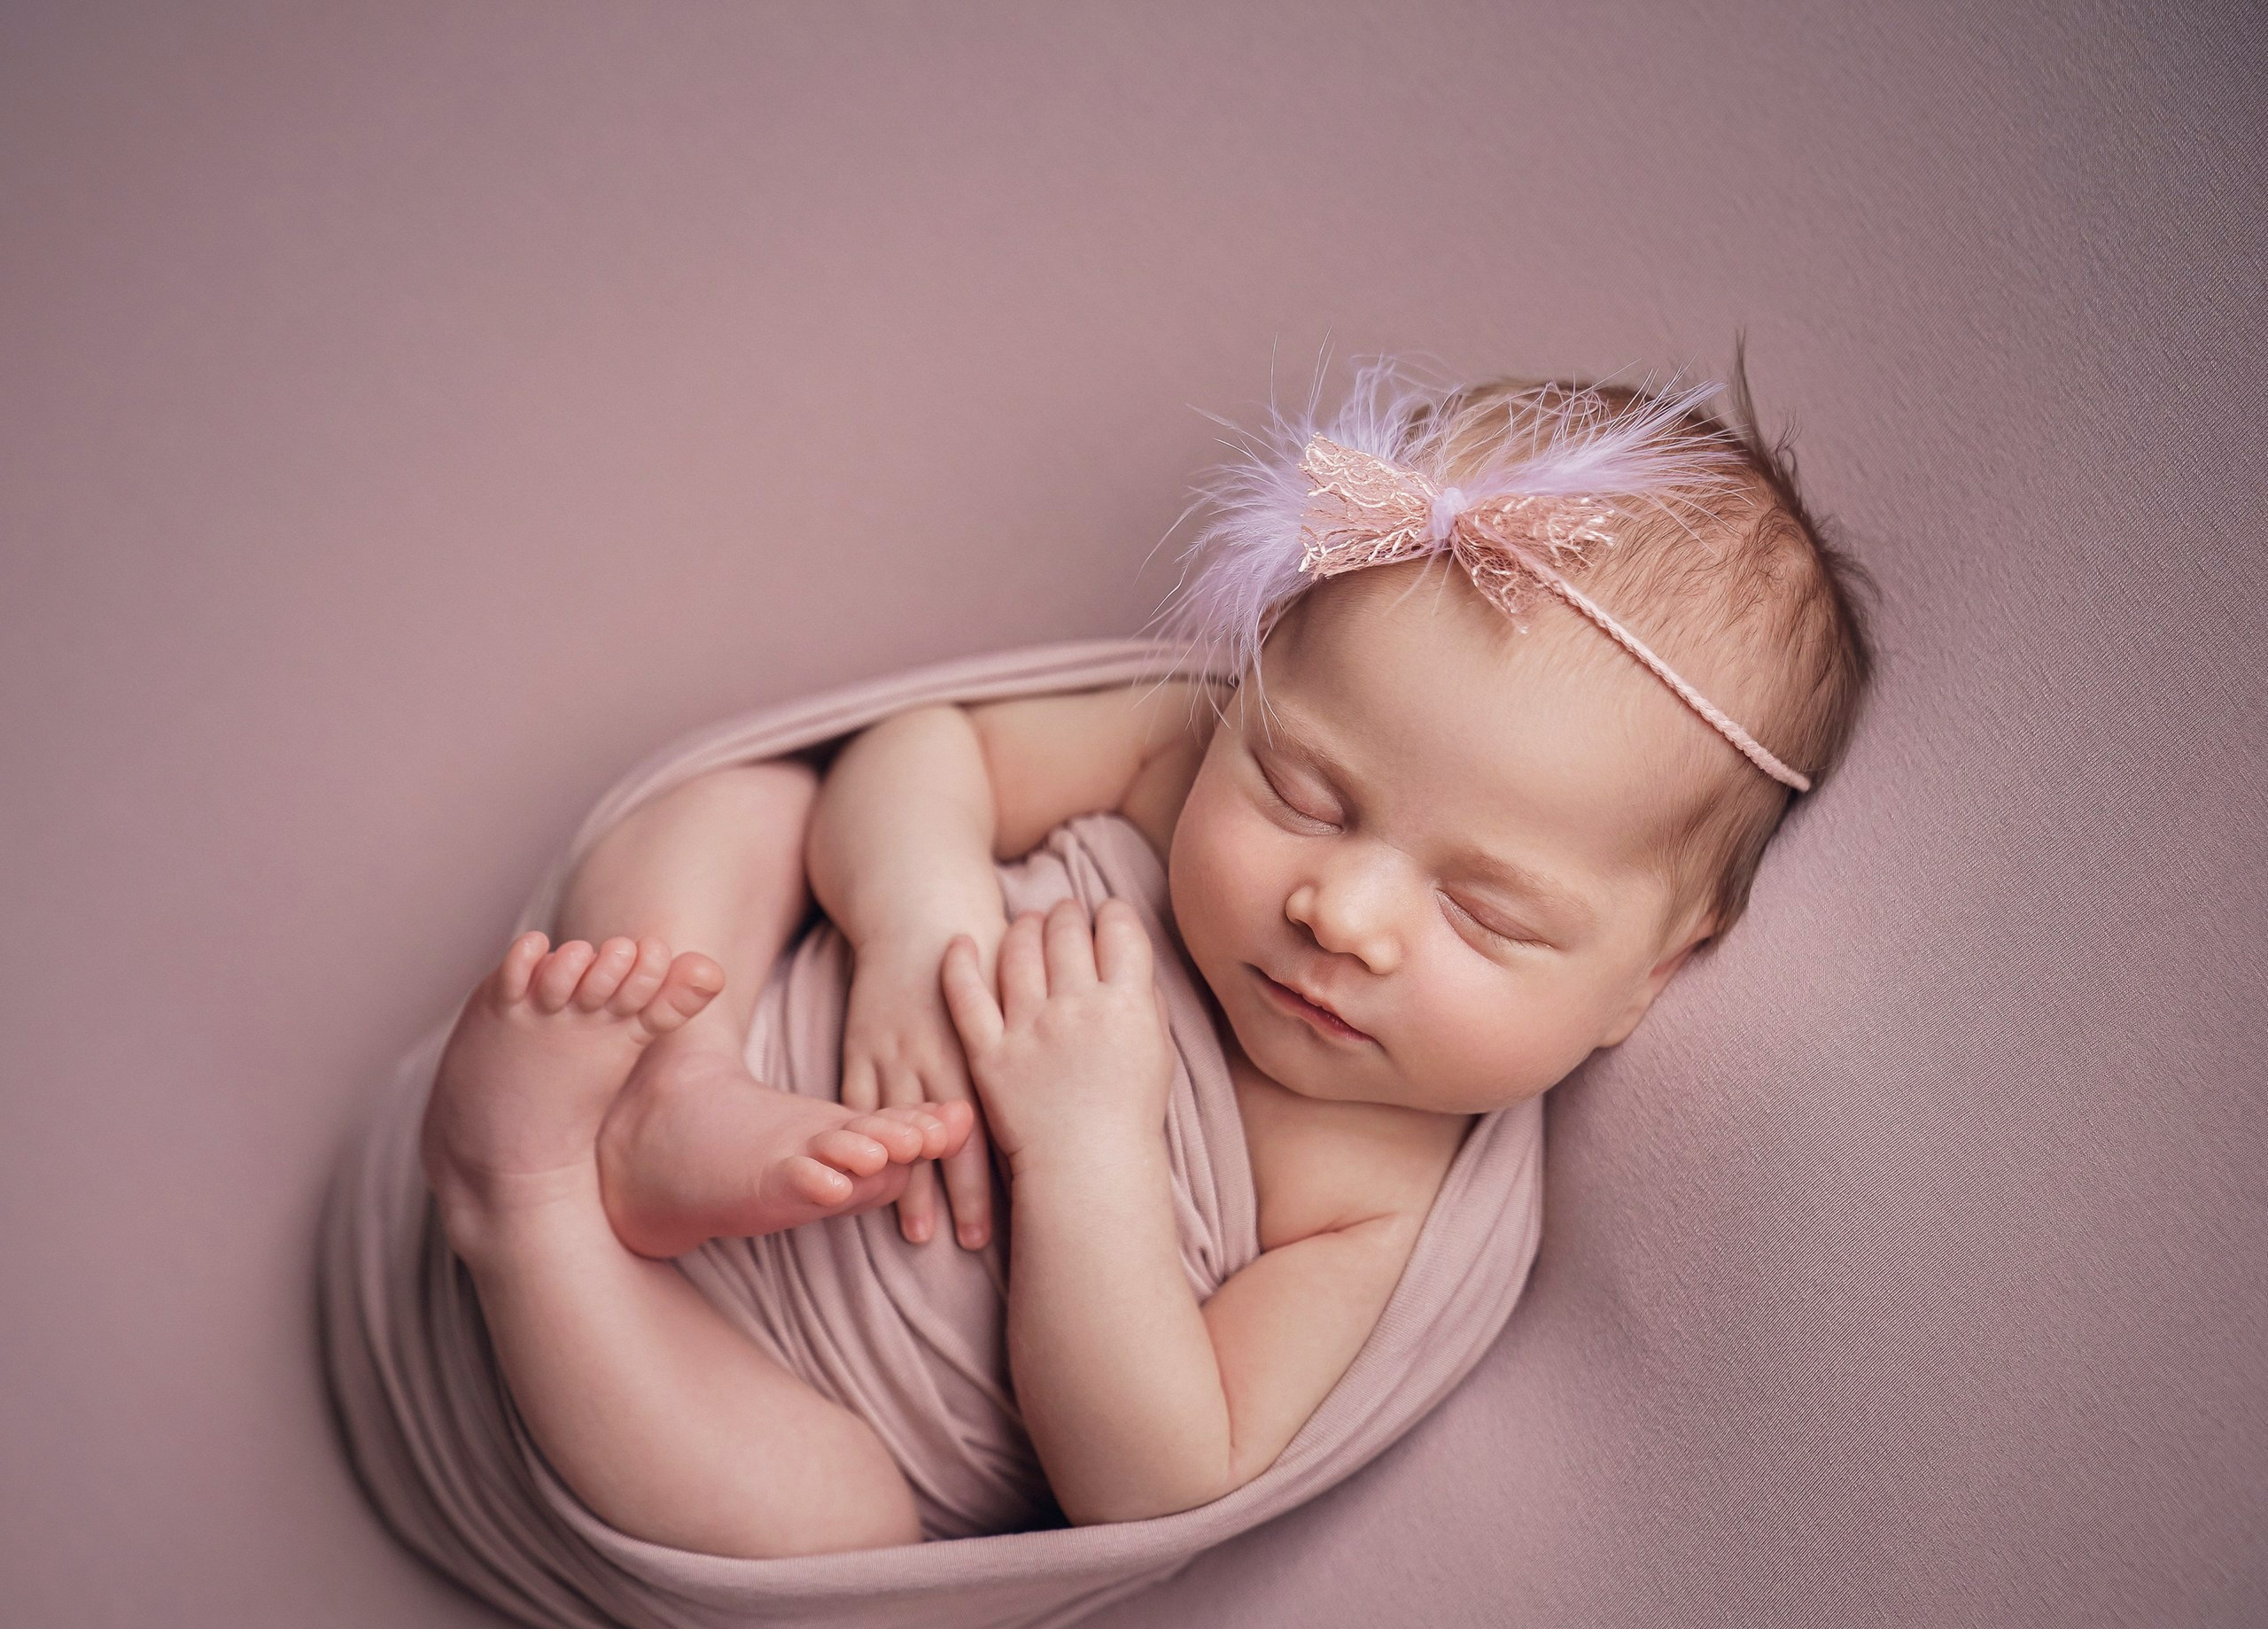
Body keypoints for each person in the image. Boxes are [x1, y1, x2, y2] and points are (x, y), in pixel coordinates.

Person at [416, 362, 1871, 1559]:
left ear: (1655, 973)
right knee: (748, 809)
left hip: (743, 1387)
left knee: (823, 1517)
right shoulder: (1175, 757)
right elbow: (932, 751)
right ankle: (680, 1083)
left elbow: (1158, 1470)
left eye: (1488, 913)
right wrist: (918, 917)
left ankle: (531, 1206)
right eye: (1306, 791)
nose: (1343, 910)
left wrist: (1087, 1147)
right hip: (751, 1049)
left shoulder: (1373, 1198)